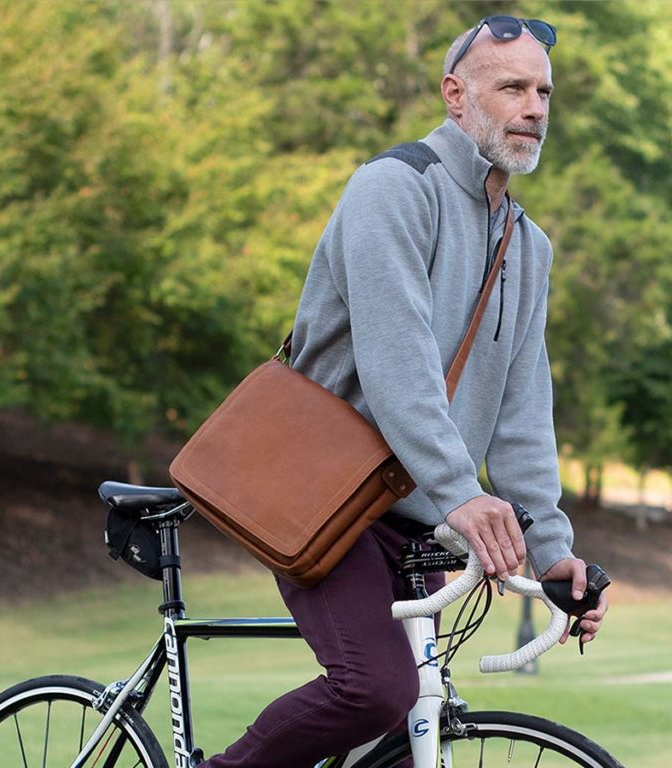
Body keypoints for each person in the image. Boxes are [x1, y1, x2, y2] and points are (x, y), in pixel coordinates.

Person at [199, 16, 608, 768]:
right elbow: (398, 365)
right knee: (375, 690)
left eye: (544, 90)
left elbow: (522, 408)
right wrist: (461, 492)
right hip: (325, 496)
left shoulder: (529, 244)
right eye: (512, 87)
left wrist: (551, 551)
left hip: (415, 515)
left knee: (411, 726)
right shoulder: (394, 188)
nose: (536, 107)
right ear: (456, 96)